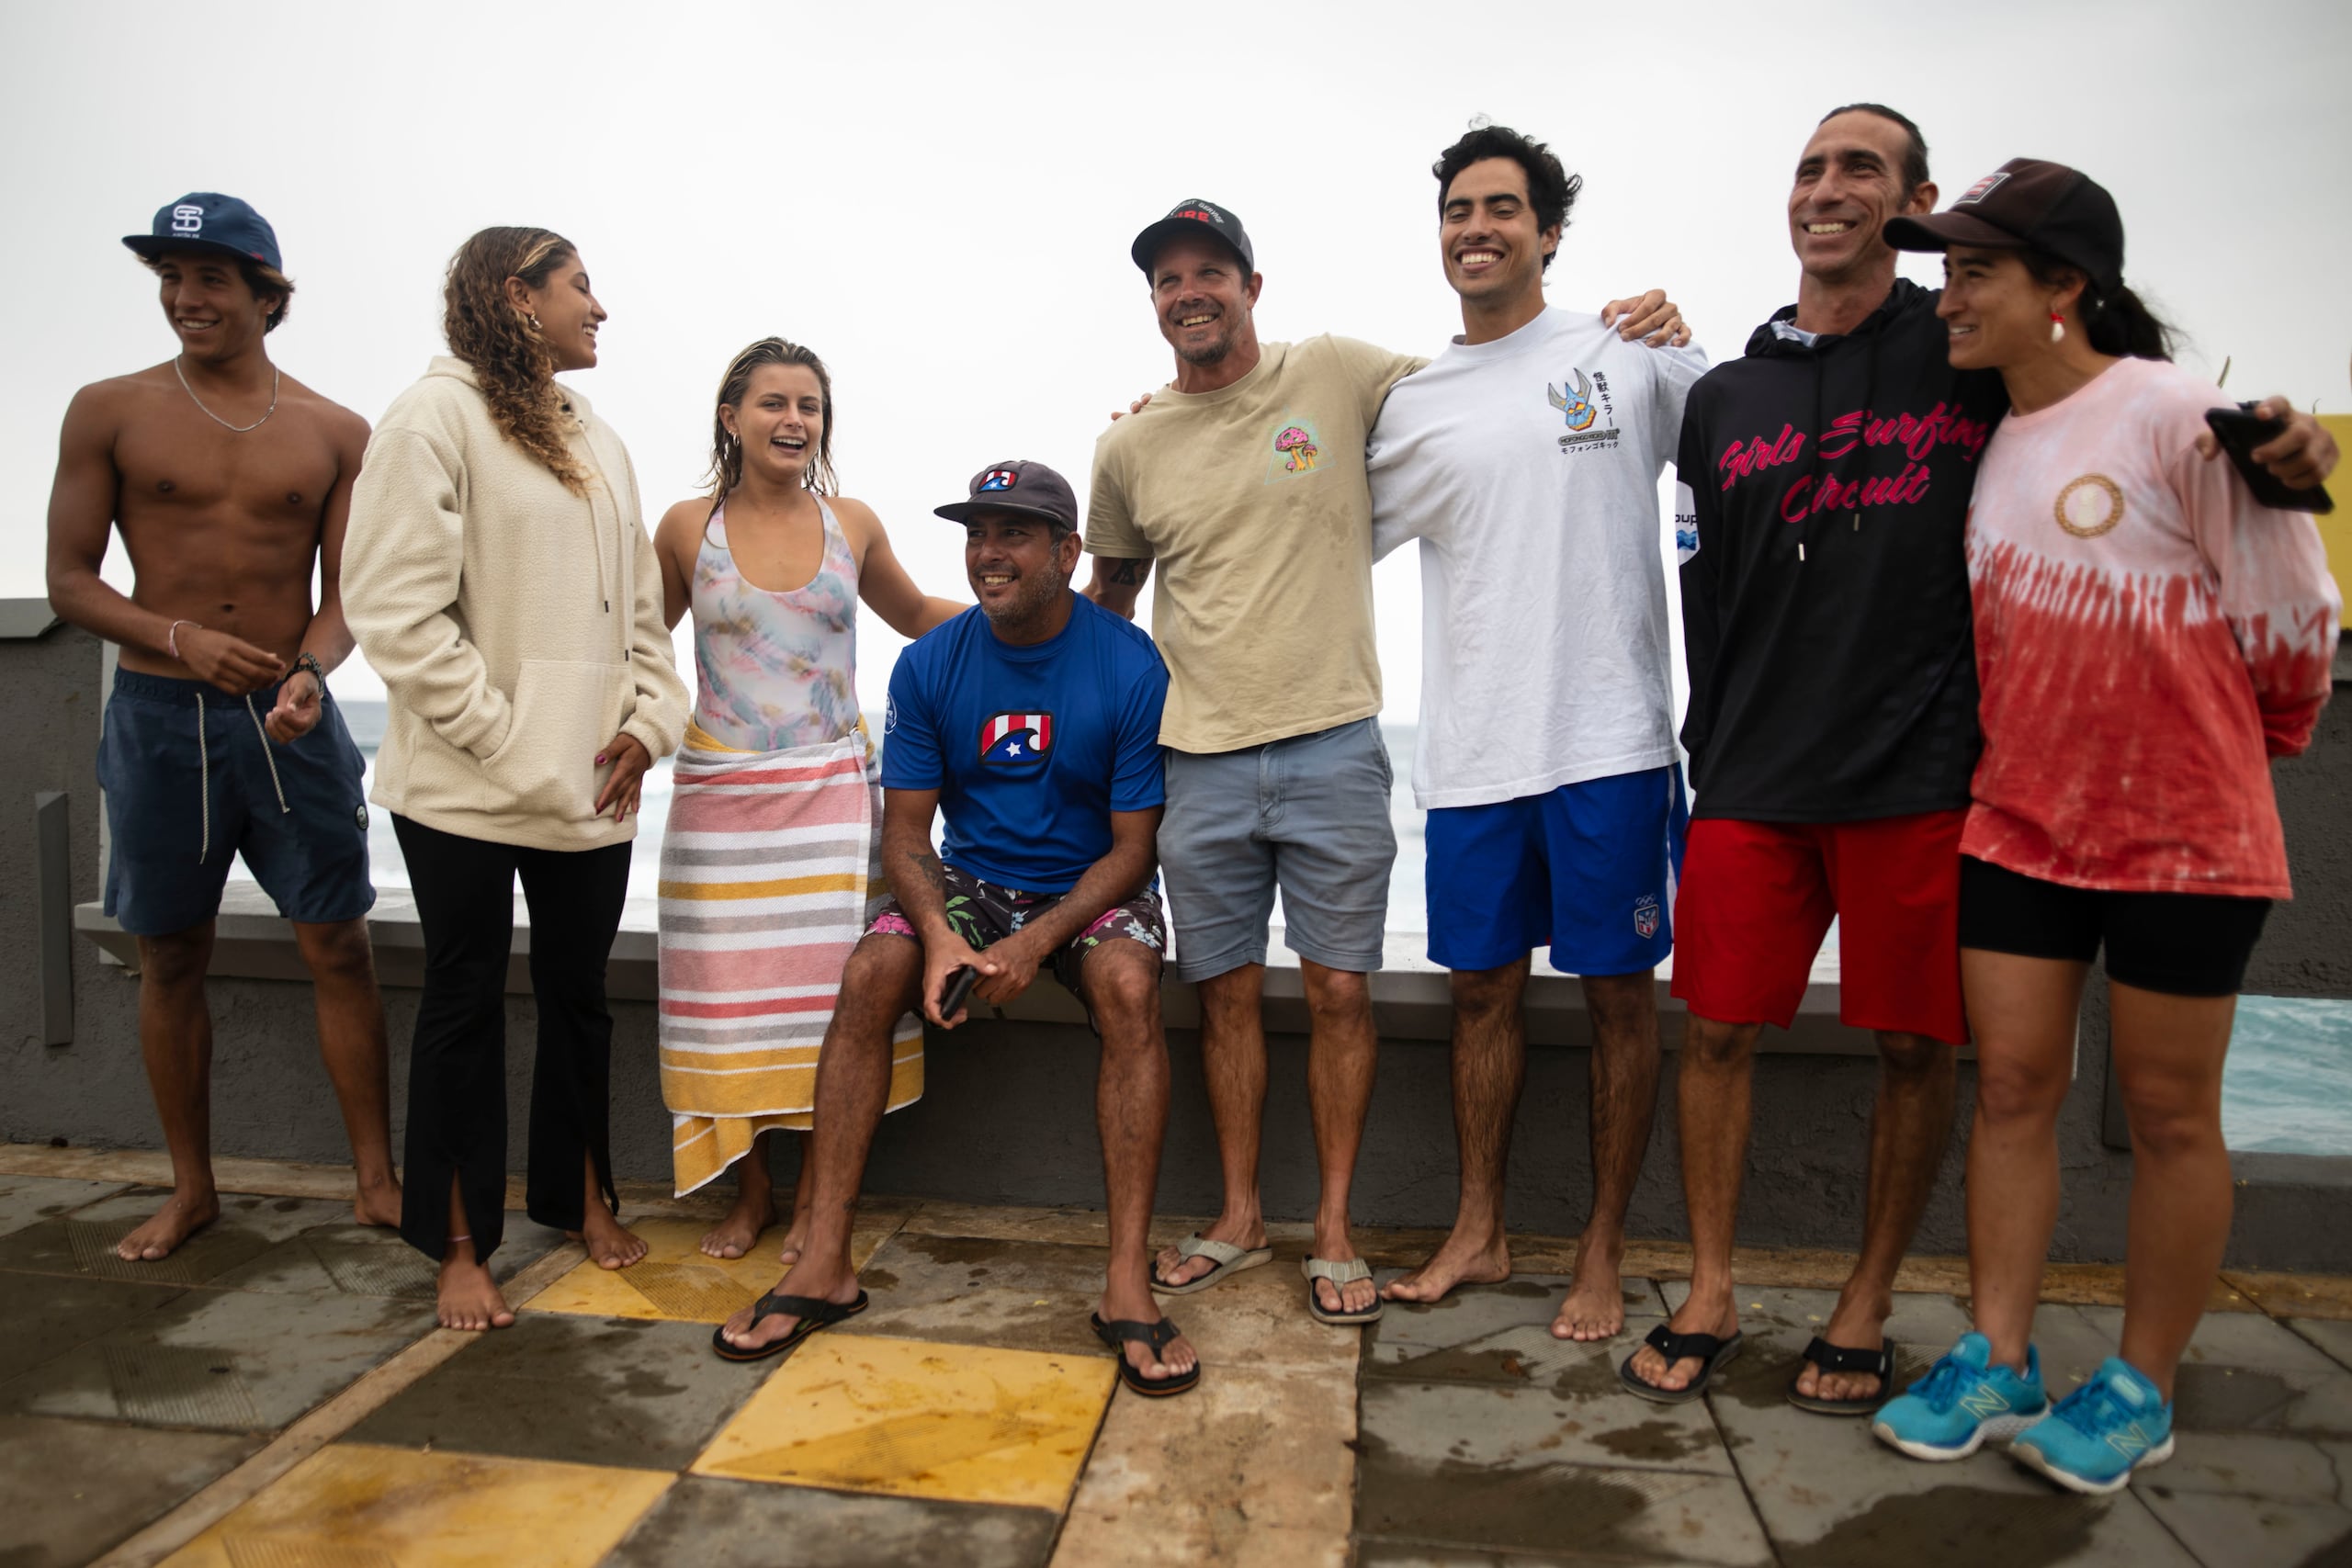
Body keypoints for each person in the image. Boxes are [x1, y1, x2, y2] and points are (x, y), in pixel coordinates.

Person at [1627, 108, 2342, 1416]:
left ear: (1917, 205)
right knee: (1717, 1030)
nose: (1827, 190)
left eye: (1861, 170)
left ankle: (1870, 1300)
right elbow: (1705, 591)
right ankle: (1716, 1283)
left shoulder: (1965, 359)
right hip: (1755, 777)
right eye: (1809, 167)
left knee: (1921, 1052)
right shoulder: (1728, 394)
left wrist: (2286, 443)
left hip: (1926, 777)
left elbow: (2130, 409)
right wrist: (1705, 742)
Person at [1086, 197, 1683, 1325]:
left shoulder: (1341, 372)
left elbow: (1495, 383)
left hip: (1334, 742)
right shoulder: (1128, 443)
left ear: (1251, 288)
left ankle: (1336, 1230)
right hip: (1196, 758)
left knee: (1341, 993)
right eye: (1167, 280)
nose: (1189, 293)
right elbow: (1108, 605)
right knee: (1220, 1001)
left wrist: (1640, 324)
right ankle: (1237, 1217)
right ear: (1154, 304)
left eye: (1210, 271)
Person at [1868, 160, 2339, 1494]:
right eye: (1946, 269)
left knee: (2173, 1110)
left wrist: (2207, 755)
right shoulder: (1996, 434)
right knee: (2013, 1087)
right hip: (2020, 821)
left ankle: (2140, 1382)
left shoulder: (2180, 416)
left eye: (1977, 271)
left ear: (2065, 287)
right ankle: (2001, 1353)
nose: (1947, 294)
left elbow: (2293, 630)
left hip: (2186, 834)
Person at [713, 460, 1196, 1395]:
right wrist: (941, 934)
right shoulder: (931, 662)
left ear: (1066, 552)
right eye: (978, 534)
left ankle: (1125, 1281)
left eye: (1013, 534)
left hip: (1086, 886)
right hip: (970, 879)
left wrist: (1032, 944)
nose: (989, 553)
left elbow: (1134, 850)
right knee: (869, 974)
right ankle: (824, 1265)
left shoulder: (1129, 663)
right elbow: (905, 833)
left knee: (1131, 989)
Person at [1367, 126, 1706, 1342]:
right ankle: (1479, 1224)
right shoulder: (1411, 404)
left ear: (1549, 230)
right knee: (1480, 998)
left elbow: (1745, 472)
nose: (1478, 228)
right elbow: (1306, 530)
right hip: (1471, 755)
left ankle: (1604, 1248)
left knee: (1621, 1004)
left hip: (1610, 741)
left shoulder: (1628, 350)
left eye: (1504, 208)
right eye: (1459, 209)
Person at [343, 226, 690, 1331]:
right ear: (515, 295)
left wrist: (646, 727)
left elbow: (643, 617)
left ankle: (579, 1194)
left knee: (580, 1002)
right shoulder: (430, 417)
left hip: (592, 784)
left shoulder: (600, 439)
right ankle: (457, 1244)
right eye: (580, 286)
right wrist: (502, 736)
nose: (600, 308)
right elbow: (394, 610)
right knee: (462, 1004)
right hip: (466, 786)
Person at [44, 192, 399, 1261]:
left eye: (207, 280)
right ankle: (192, 1188)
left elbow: (352, 597)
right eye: (169, 278)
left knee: (337, 941)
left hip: (289, 723)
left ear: (264, 293)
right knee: (170, 956)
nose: (183, 299)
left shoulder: (338, 431)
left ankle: (376, 1179)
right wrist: (178, 636)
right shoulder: (108, 409)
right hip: (159, 716)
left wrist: (310, 671)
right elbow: (66, 580)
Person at [650, 336, 962, 1260]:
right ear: (730, 416)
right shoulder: (682, 527)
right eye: (773, 403)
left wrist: (1035, 606)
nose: (794, 421)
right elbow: (634, 643)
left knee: (834, 1004)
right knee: (728, 1004)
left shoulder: (851, 523)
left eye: (809, 407)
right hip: (719, 802)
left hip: (832, 800)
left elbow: (913, 616)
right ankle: (748, 1196)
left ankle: (828, 1199)